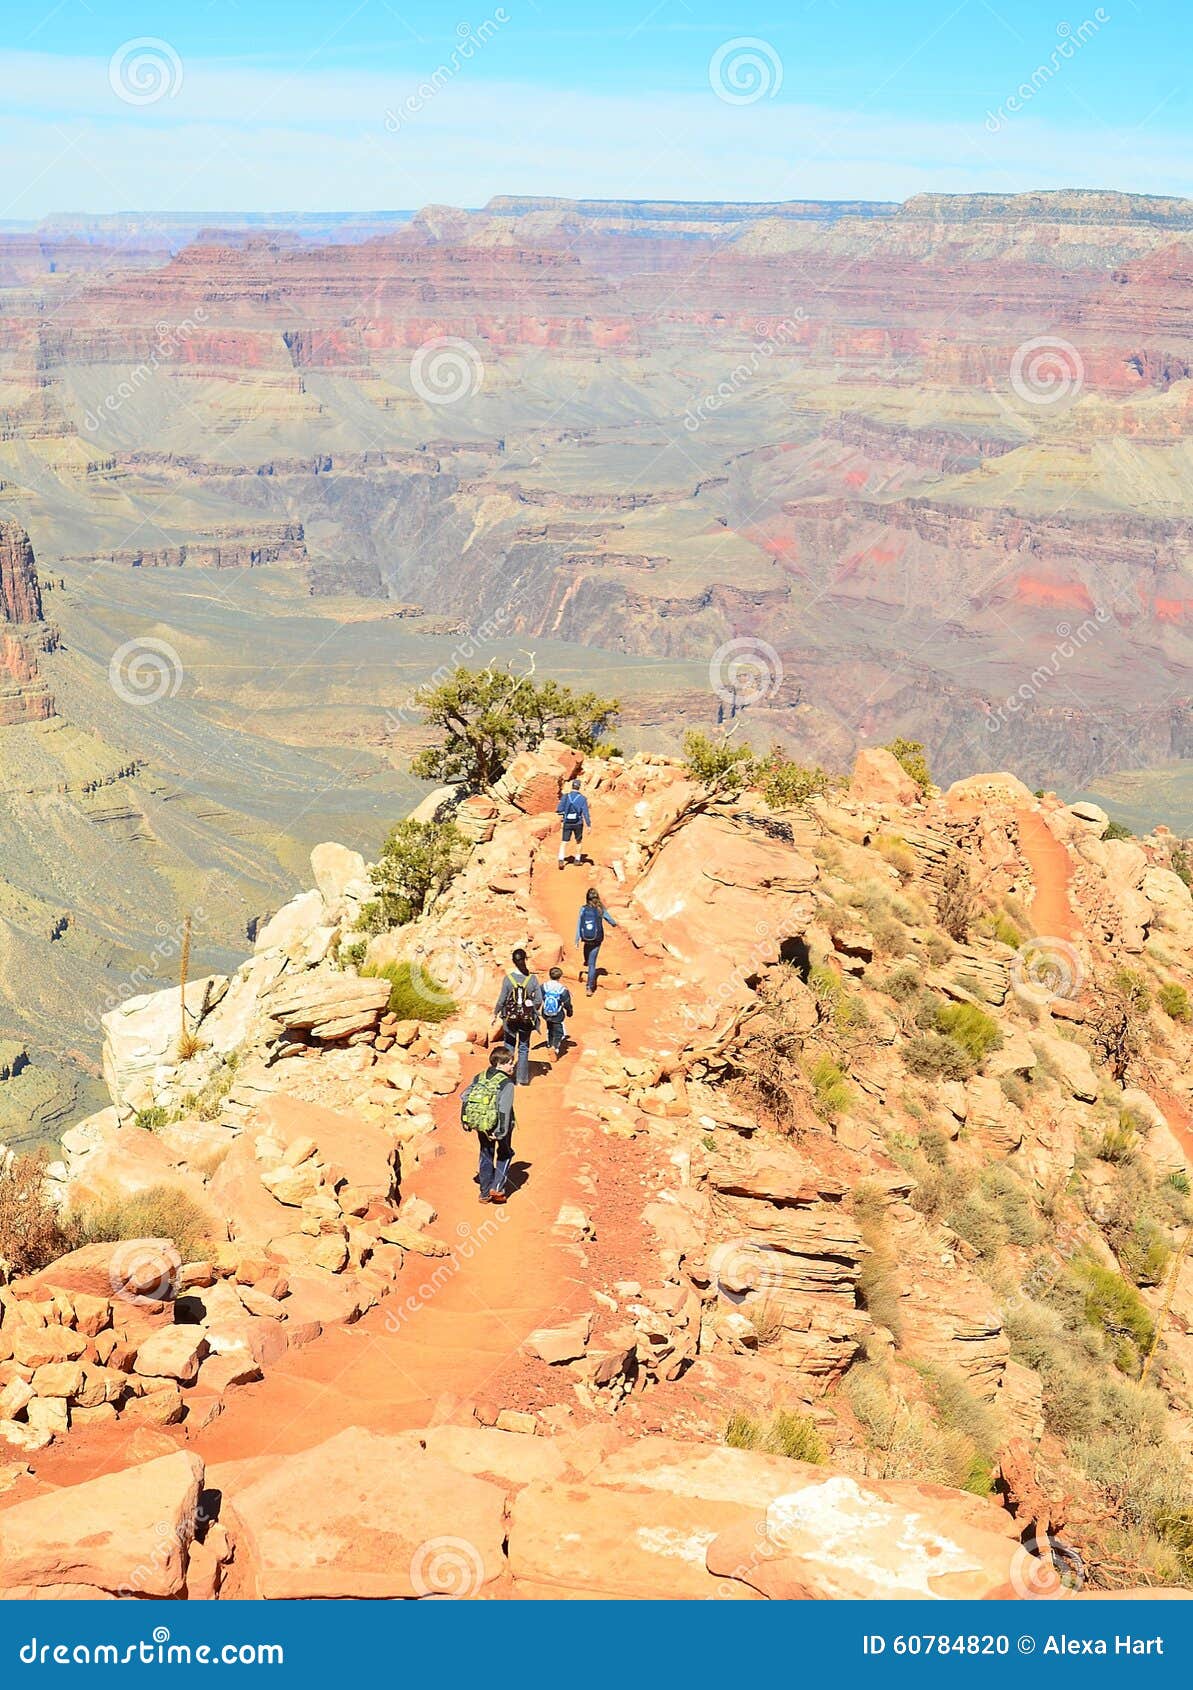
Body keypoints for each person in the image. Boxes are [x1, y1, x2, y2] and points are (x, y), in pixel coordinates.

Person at [459, 1045, 515, 1204]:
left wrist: (465, 1120)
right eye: (510, 1063)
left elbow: (466, 1097)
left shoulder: (479, 1077)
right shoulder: (506, 1084)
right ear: (500, 1064)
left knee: (486, 1154)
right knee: (505, 1153)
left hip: (480, 1123)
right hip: (499, 1127)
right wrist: (501, 1132)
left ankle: (484, 1193)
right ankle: (497, 1187)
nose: (512, 1066)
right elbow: (504, 1110)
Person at [493, 946, 542, 1085]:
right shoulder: (532, 979)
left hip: (510, 1020)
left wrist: (496, 1013)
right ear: (525, 959)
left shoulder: (508, 979)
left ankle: (506, 1079)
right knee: (524, 1048)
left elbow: (502, 999)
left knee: (508, 1046)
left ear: (513, 961)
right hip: (526, 1021)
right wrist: (529, 1008)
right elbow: (538, 1000)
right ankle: (521, 1080)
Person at [576, 887, 617, 996]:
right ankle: (589, 988)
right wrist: (614, 924)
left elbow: (579, 924)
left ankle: (586, 959)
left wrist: (577, 939)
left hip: (586, 938)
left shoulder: (583, 909)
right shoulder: (600, 908)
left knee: (587, 952)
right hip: (597, 939)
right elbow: (610, 920)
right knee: (592, 965)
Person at [540, 964, 574, 1059]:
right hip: (557, 1013)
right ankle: (554, 1047)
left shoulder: (544, 986)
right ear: (560, 976)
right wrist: (569, 1011)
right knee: (559, 1032)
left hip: (546, 1012)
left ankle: (549, 1044)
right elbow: (567, 1002)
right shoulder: (562, 989)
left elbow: (539, 997)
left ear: (549, 975)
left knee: (550, 1028)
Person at [556, 778, 591, 869]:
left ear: (572, 786)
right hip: (578, 823)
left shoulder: (566, 797)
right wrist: (588, 825)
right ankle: (577, 860)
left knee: (564, 842)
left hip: (567, 822)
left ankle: (561, 859)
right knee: (578, 841)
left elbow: (559, 809)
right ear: (579, 787)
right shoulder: (582, 798)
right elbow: (585, 813)